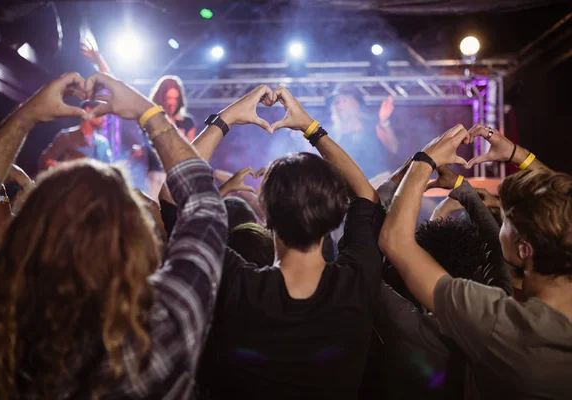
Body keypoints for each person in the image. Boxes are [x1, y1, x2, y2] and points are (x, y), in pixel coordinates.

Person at [0, 71, 234, 398]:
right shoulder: (158, 334)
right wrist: (146, 112)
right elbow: (205, 205)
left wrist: (25, 117)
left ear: (28, 233)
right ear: (134, 240)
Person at [195, 85, 385, 399]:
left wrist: (226, 118)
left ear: (264, 215)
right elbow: (367, 195)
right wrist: (311, 128)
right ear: (337, 213)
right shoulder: (357, 283)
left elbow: (176, 197)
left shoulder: (234, 284)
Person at [379, 124, 572, 399]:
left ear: (525, 250)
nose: (501, 219)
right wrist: (517, 155)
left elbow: (395, 242)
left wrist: (424, 161)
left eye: (508, 220)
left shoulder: (503, 324)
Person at [326, 85, 400, 181]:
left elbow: (393, 148)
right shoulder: (331, 133)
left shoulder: (372, 125)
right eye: (336, 102)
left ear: (356, 104)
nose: (339, 106)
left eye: (344, 101)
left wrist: (384, 122)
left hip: (377, 182)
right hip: (348, 185)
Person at [38, 99, 113, 170]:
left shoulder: (103, 143)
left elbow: (109, 169)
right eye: (101, 113)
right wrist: (71, 167)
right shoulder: (67, 136)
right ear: (88, 110)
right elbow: (45, 161)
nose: (104, 118)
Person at [150, 75, 197, 141]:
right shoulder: (152, 121)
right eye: (169, 98)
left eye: (176, 98)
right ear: (161, 98)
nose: (172, 103)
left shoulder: (187, 122)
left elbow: (192, 148)